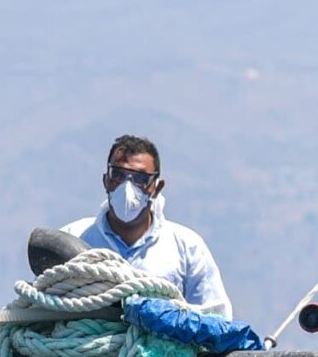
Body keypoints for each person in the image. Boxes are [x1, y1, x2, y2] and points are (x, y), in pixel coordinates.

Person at [62, 133, 231, 319]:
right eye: (118, 175)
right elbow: (42, 305)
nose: (127, 187)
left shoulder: (187, 247)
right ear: (106, 181)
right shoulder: (71, 239)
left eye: (140, 179)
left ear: (157, 187)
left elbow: (216, 317)